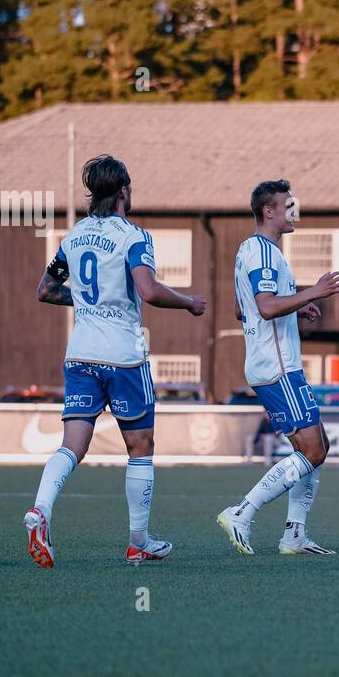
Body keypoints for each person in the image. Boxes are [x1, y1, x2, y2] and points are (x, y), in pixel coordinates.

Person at [25, 154, 207, 569]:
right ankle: (138, 541)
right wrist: (188, 303)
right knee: (140, 448)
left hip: (80, 354)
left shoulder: (73, 236)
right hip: (123, 356)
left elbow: (45, 290)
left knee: (72, 445)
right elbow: (147, 290)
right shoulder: (134, 236)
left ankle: (40, 509)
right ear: (124, 190)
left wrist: (90, 300)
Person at [215, 179, 339, 557]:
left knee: (319, 444)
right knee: (312, 450)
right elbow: (267, 306)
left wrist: (298, 305)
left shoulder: (252, 250)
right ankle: (242, 511)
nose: (294, 212)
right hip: (277, 366)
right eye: (288, 205)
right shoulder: (264, 253)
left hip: (274, 362)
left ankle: (294, 534)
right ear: (268, 211)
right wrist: (314, 292)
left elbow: (244, 308)